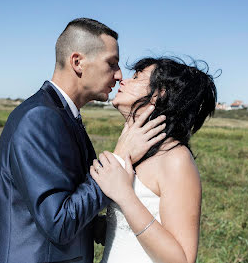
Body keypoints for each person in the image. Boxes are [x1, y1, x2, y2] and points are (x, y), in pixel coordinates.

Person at [0, 18, 166, 263]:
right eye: (111, 63)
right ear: (78, 62)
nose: (119, 75)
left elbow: (69, 200)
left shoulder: (62, 115)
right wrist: (118, 159)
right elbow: (59, 222)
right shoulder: (40, 118)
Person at [91, 57, 217, 263]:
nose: (123, 80)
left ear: (159, 94)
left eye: (137, 76)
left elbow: (182, 259)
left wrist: (124, 195)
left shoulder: (175, 159)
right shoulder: (138, 151)